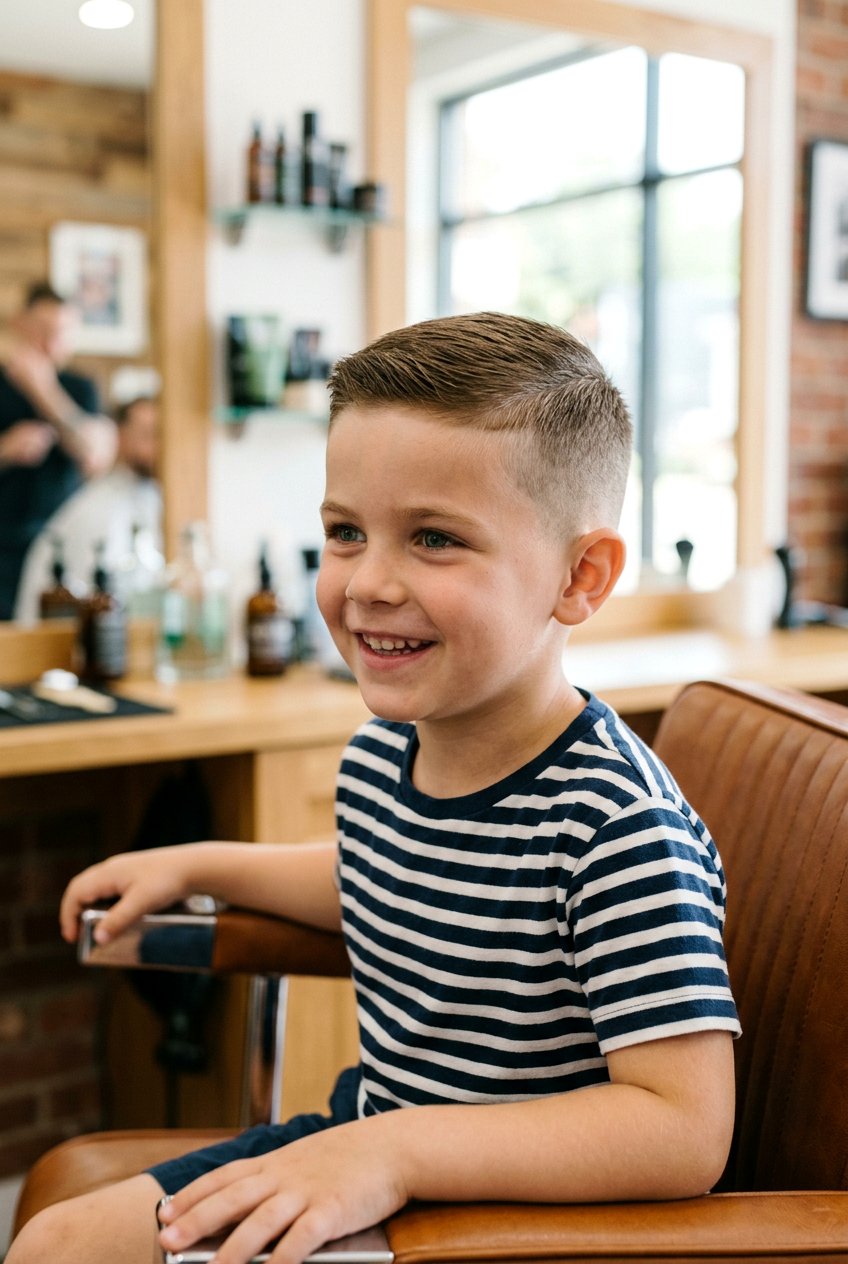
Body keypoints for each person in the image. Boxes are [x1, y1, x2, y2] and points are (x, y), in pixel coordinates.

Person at [8, 313, 741, 1264]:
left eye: (434, 538)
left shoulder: (616, 826)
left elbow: (683, 1129)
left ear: (580, 576)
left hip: (510, 1224)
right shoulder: (384, 754)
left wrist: (392, 1152)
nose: (368, 584)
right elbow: (380, 873)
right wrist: (195, 864)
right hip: (371, 1145)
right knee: (60, 1242)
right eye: (346, 532)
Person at [0, 282, 117, 619]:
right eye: (43, 330)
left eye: (61, 332)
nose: (51, 342)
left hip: (63, 546)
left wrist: (42, 390)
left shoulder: (80, 389)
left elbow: (93, 455)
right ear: (20, 324)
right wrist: (5, 449)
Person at [13, 396, 162, 623]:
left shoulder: (154, 497)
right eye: (148, 434)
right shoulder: (98, 511)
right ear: (121, 436)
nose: (159, 445)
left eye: (162, 434)